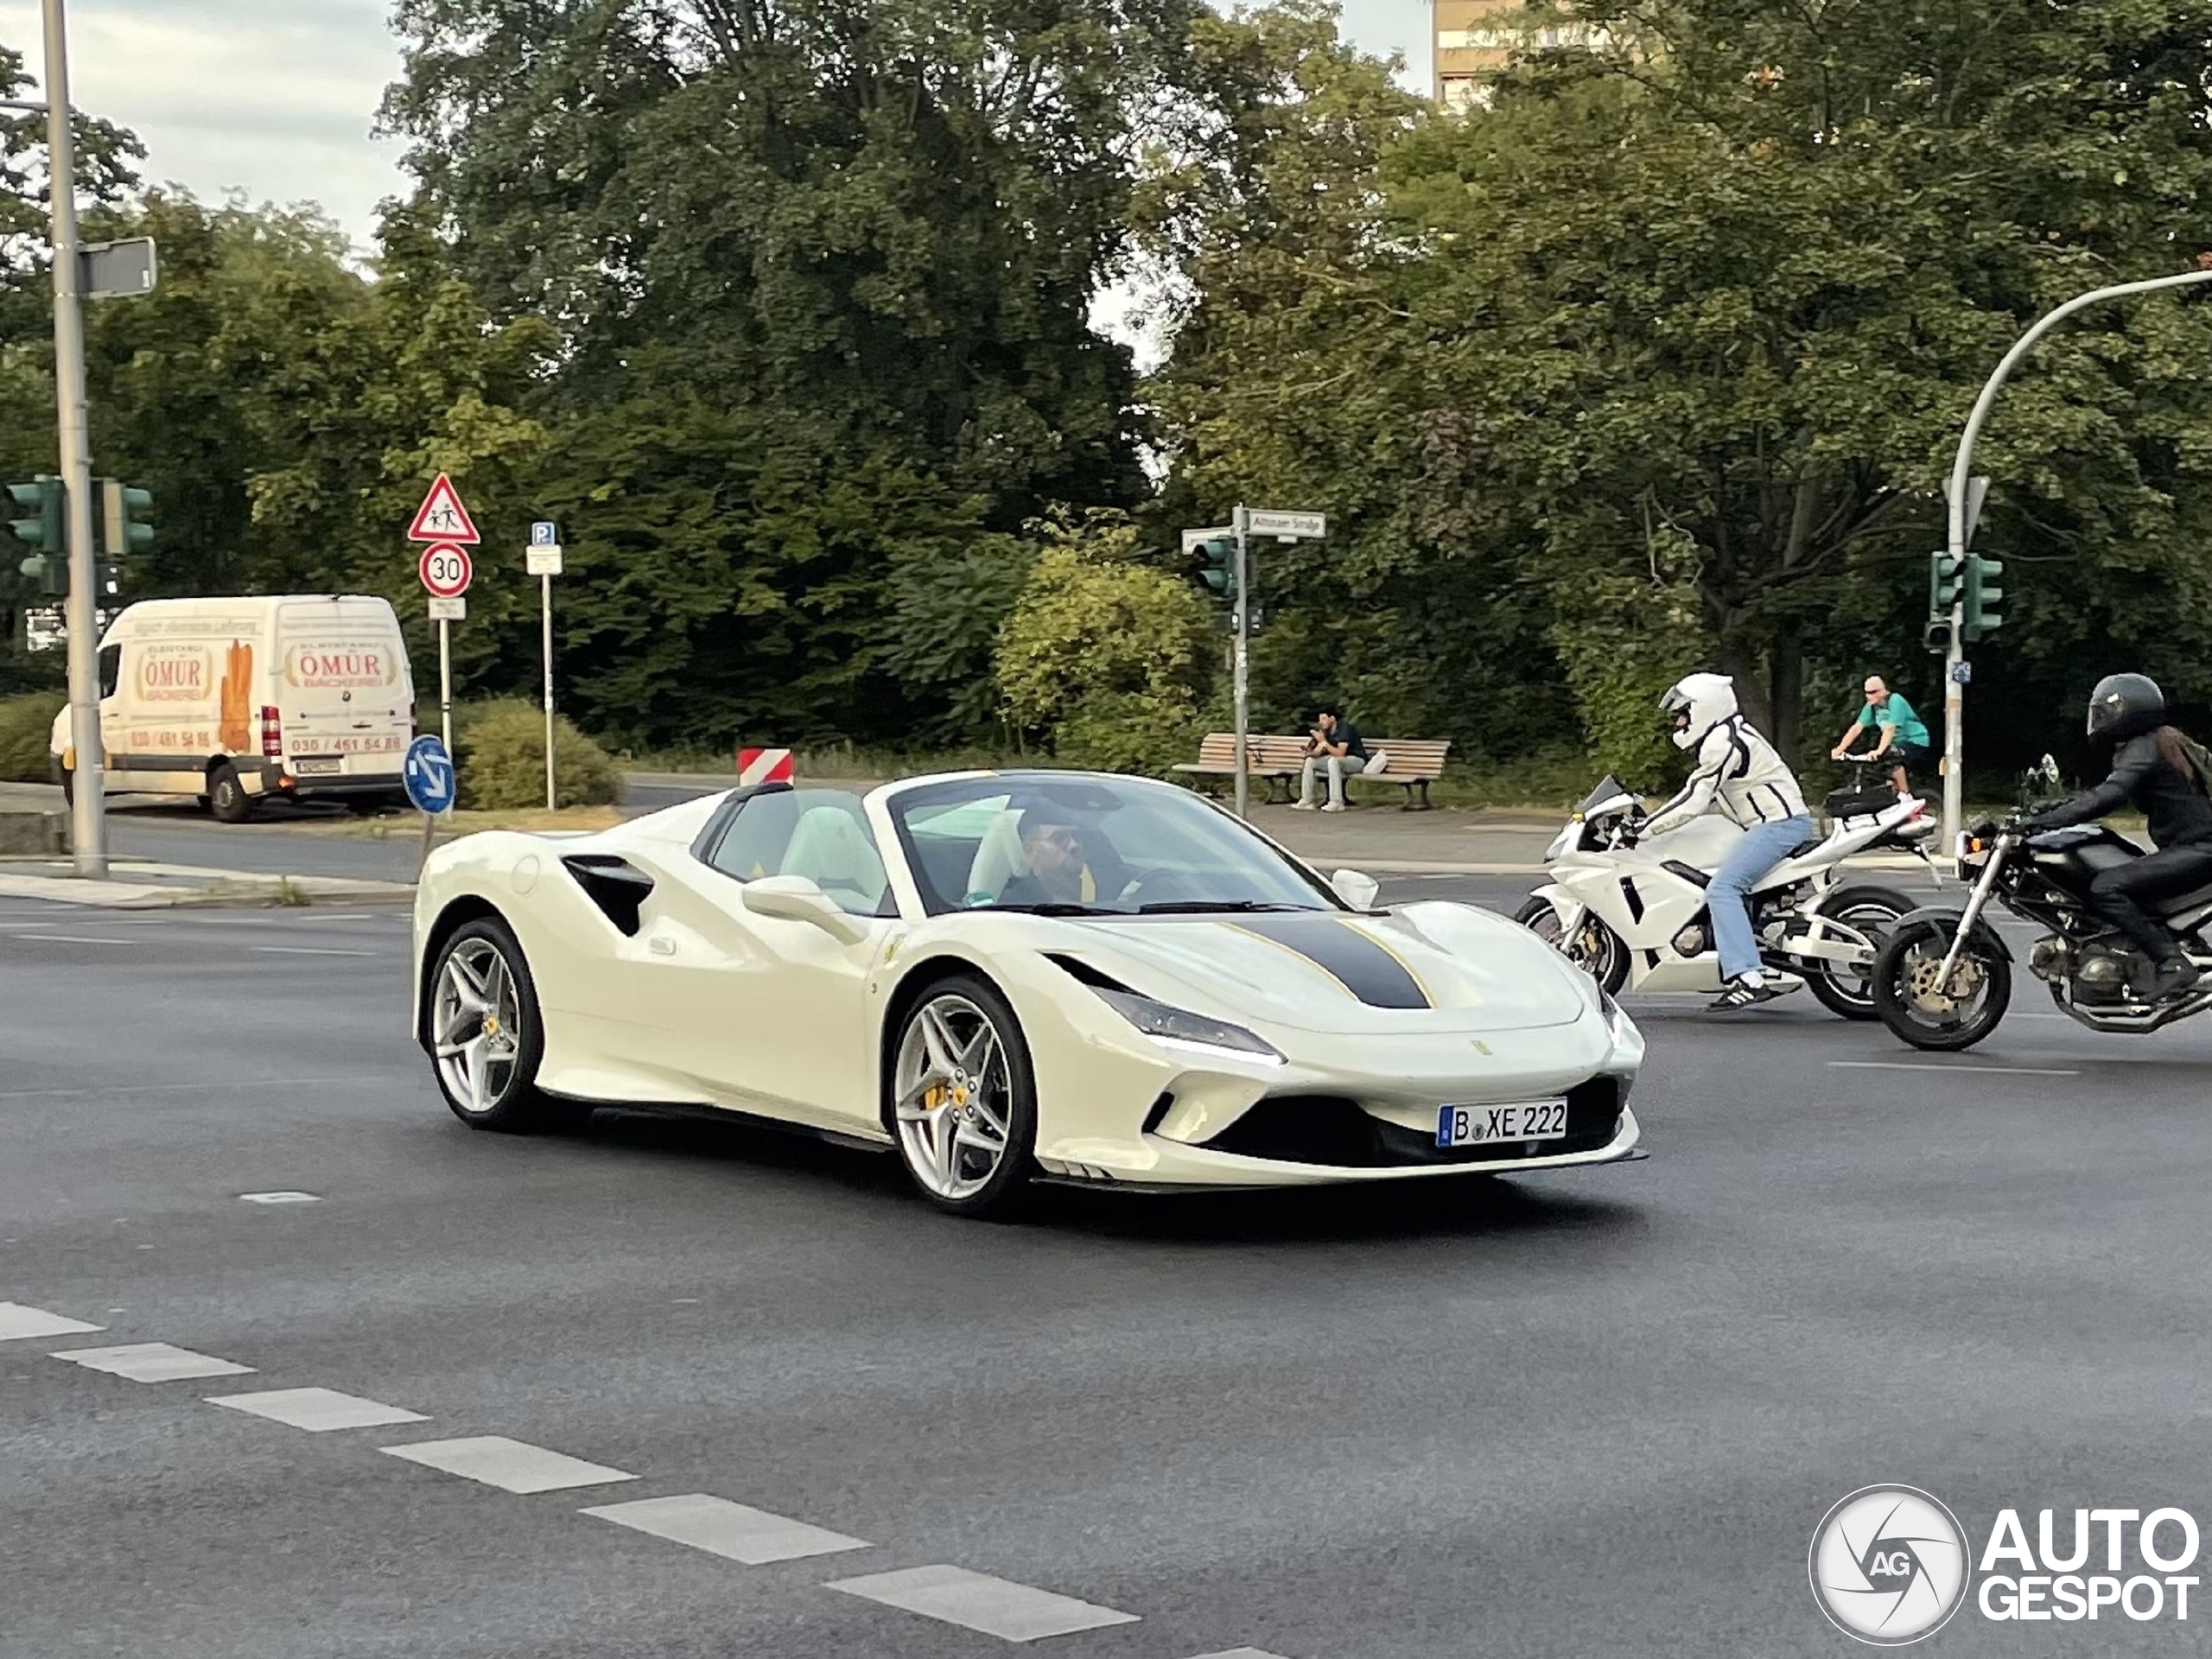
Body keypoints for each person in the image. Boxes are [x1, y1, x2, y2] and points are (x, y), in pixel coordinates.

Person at [2018, 672, 2212, 999]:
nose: (2098, 720)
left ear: (2126, 710)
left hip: (2200, 850)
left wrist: (2046, 823)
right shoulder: (2159, 740)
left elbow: (2111, 796)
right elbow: (2103, 791)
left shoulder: (2145, 746)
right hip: (2194, 848)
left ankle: (2172, 963)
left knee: (2106, 887)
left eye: (2104, 712)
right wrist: (2046, 809)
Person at [1645, 671, 1815, 1011]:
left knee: (1722, 889)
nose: (1679, 723)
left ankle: (1749, 977)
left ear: (1703, 709)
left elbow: (1695, 797)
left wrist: (1644, 829)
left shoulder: (1723, 743)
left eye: (1683, 714)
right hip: (1764, 824)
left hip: (1779, 825)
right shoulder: (1726, 735)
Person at [996, 801, 1128, 908]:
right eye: (1059, 839)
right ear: (1030, 850)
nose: (1074, 845)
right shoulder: (1013, 903)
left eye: (1077, 836)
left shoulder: (1116, 890)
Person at [1829, 675, 1931, 796]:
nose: (1869, 696)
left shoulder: (1895, 700)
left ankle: (1905, 796)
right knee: (1878, 769)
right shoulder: (1872, 706)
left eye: (1873, 692)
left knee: (1891, 759)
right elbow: (1856, 728)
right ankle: (1892, 795)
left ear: (1883, 690)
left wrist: (1879, 751)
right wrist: (1839, 749)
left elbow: (1890, 728)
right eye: (1867, 693)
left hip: (1915, 741)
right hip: (1895, 743)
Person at [1294, 704, 1375, 812]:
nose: (1320, 722)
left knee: (1333, 760)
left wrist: (1323, 742)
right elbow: (1318, 752)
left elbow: (1340, 753)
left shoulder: (1344, 728)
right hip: (1337, 762)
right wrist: (1309, 753)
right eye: (1320, 720)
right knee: (1310, 762)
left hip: (1356, 761)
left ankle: (1336, 802)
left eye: (1323, 719)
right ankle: (1307, 801)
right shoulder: (1326, 732)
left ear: (1332, 719)